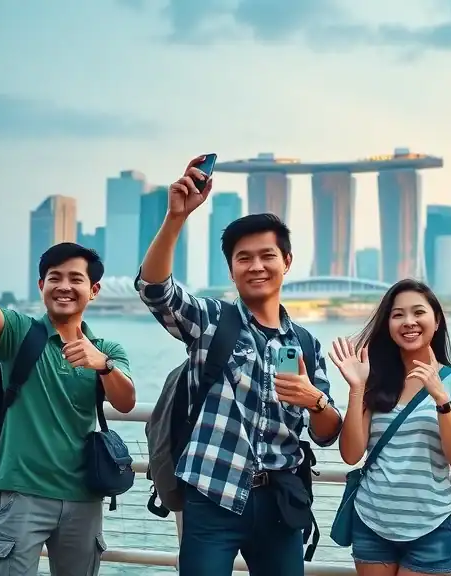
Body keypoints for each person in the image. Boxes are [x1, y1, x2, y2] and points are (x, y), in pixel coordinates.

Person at [136, 156, 343, 576]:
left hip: (281, 504)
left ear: (287, 261)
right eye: (243, 258)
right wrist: (176, 218)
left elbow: (326, 434)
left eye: (267, 255)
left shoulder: (305, 342)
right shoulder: (212, 322)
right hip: (213, 493)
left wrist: (316, 401)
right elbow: (155, 291)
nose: (256, 266)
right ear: (232, 270)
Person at [0, 193, 136, 576]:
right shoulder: (19, 334)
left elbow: (125, 402)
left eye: (76, 279)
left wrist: (102, 365)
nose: (64, 286)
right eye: (54, 278)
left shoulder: (108, 348)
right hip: (21, 493)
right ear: (41, 285)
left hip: (84, 497)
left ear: (93, 290)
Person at [333, 279, 451, 576]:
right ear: (388, 323)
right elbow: (350, 454)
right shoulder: (374, 378)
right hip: (372, 521)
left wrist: (441, 399)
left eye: (418, 313)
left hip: (430, 525)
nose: (408, 322)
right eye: (398, 314)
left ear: (436, 321)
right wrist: (356, 388)